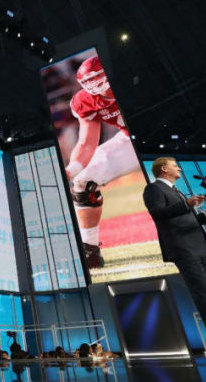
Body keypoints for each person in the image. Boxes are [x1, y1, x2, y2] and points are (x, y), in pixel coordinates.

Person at [143, 157, 206, 362]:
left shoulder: (176, 191)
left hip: (201, 249)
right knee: (204, 298)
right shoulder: (154, 189)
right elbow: (157, 214)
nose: (179, 168)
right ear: (164, 169)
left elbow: (188, 220)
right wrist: (186, 204)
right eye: (175, 165)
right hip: (184, 250)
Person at [64, 56, 141, 268]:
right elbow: (87, 143)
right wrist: (69, 171)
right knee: (82, 181)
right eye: (90, 80)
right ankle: (90, 252)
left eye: (98, 77)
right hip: (129, 141)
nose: (94, 84)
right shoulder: (86, 101)